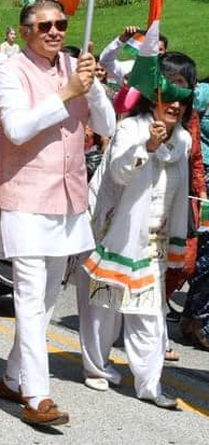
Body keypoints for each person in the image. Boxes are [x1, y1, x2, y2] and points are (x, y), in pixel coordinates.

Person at [0, 0, 115, 428]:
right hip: (25, 197)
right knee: (27, 295)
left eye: (60, 24)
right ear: (25, 31)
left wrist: (91, 84)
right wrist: (65, 94)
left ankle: (11, 375)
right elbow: (17, 129)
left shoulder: (75, 67)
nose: (55, 32)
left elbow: (109, 127)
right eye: (45, 26)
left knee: (46, 299)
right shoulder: (9, 70)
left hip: (68, 198)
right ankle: (36, 395)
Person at [79, 52, 195, 408]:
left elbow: (179, 196)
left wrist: (178, 240)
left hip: (155, 243)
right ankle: (97, 368)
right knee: (105, 307)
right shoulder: (131, 127)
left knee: (148, 315)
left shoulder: (185, 141)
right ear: (153, 92)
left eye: (184, 93)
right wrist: (148, 146)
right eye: (169, 91)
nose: (174, 102)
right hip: (117, 235)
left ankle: (150, 385)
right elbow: (119, 173)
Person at [180, 76, 209, 350]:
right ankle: (197, 319)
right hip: (200, 183)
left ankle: (193, 318)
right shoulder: (202, 93)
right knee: (203, 255)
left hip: (201, 182)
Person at [99, 26, 168, 85]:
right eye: (153, 49)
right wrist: (121, 41)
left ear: (165, 51)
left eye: (160, 49)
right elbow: (105, 61)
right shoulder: (129, 68)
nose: (156, 53)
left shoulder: (172, 70)